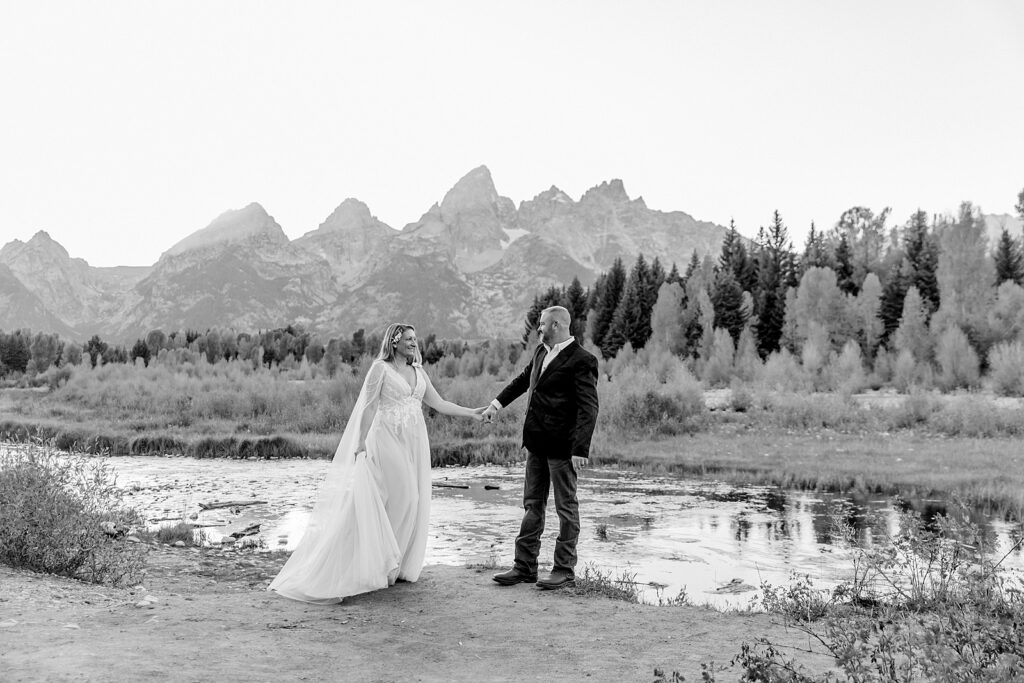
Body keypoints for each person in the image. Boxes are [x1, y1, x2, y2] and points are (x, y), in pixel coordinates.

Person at [269, 323, 485, 604]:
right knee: (406, 497)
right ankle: (381, 561)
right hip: (386, 440)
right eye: (408, 339)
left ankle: (391, 562)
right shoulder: (380, 369)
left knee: (412, 499)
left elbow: (440, 403)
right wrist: (360, 441)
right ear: (394, 342)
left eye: (415, 339)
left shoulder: (419, 372)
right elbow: (369, 406)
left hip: (414, 443)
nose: (413, 343)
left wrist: (473, 413)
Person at [483, 305, 599, 590]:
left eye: (542, 325)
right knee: (532, 505)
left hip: (562, 448)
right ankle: (524, 567)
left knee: (566, 508)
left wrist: (580, 449)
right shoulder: (540, 353)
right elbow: (523, 381)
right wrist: (495, 405)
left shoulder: (582, 360)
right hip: (535, 443)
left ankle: (563, 569)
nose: (538, 329)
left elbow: (589, 407)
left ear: (557, 325)